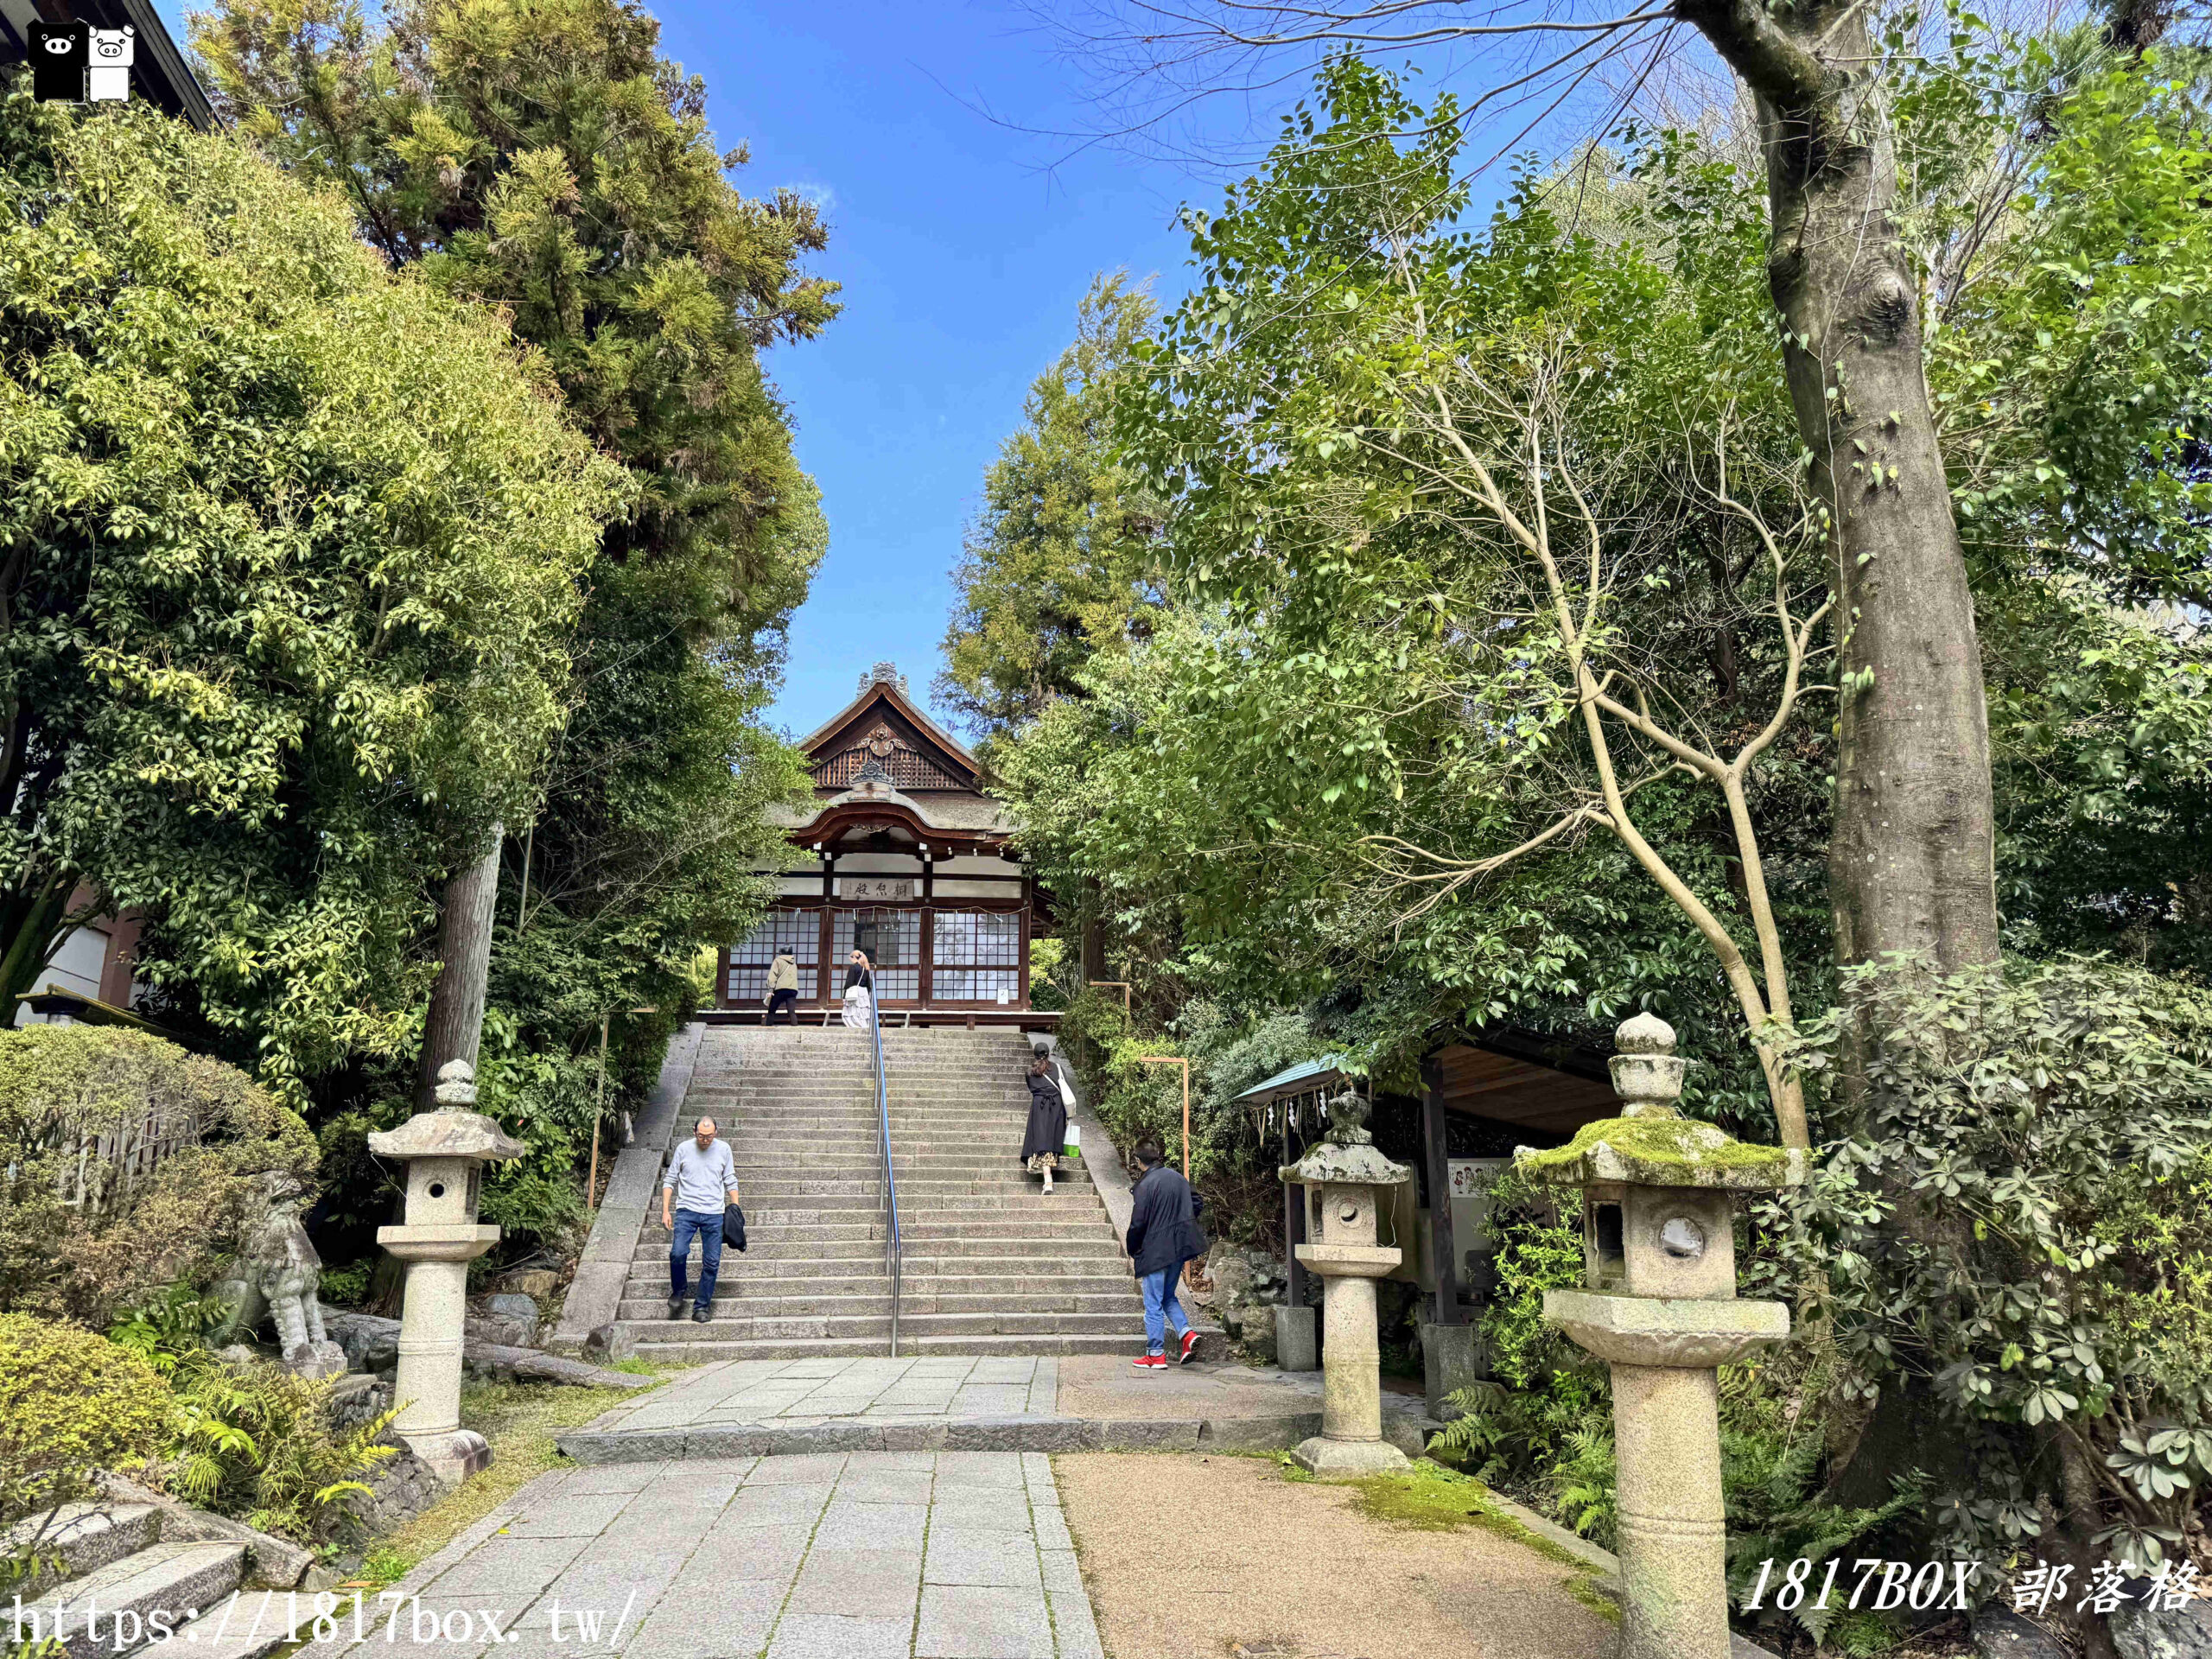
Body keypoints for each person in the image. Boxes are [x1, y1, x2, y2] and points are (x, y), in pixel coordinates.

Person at [1124, 1139, 1208, 1369]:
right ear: (1158, 1156)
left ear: (1139, 1161)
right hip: (1177, 1249)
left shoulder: (1145, 1185)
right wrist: (1182, 1221)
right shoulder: (1177, 1178)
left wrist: (1132, 1247)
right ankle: (1187, 1334)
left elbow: (1138, 1223)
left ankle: (1155, 1354)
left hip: (1154, 1250)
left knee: (1152, 1302)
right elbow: (1197, 1201)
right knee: (1167, 1296)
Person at [662, 1116, 741, 1324]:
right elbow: (670, 1180)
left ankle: (702, 1306)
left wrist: (735, 1208)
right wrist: (665, 1211)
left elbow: (730, 1179)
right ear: (694, 1131)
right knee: (678, 1252)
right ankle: (678, 1290)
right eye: (701, 1135)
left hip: (714, 1213)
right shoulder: (684, 1149)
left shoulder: (724, 1149)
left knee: (712, 1262)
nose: (705, 1140)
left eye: (709, 1136)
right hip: (687, 1210)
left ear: (716, 1132)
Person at [1020, 1052, 1067, 1192]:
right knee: (1052, 1137)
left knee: (1042, 1139)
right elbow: (1064, 1085)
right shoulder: (1058, 1068)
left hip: (1040, 1106)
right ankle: (1048, 1176)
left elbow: (1032, 1089)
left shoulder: (1030, 1072)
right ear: (1048, 1054)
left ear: (1034, 1054)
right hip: (1056, 1105)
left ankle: (1048, 1180)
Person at [840, 949, 874, 1028]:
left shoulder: (853, 968)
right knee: (862, 1011)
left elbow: (849, 982)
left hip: (855, 991)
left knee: (853, 1010)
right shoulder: (866, 968)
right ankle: (864, 1025)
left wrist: (844, 996)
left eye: (851, 958)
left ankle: (855, 1025)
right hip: (863, 992)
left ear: (854, 957)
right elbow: (868, 984)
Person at [764, 951, 799, 1025]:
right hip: (792, 989)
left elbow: (773, 975)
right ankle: (795, 1028)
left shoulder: (778, 960)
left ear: (781, 952)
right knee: (791, 1012)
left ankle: (768, 1029)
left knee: (772, 1010)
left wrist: (771, 989)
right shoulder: (793, 963)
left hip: (780, 989)